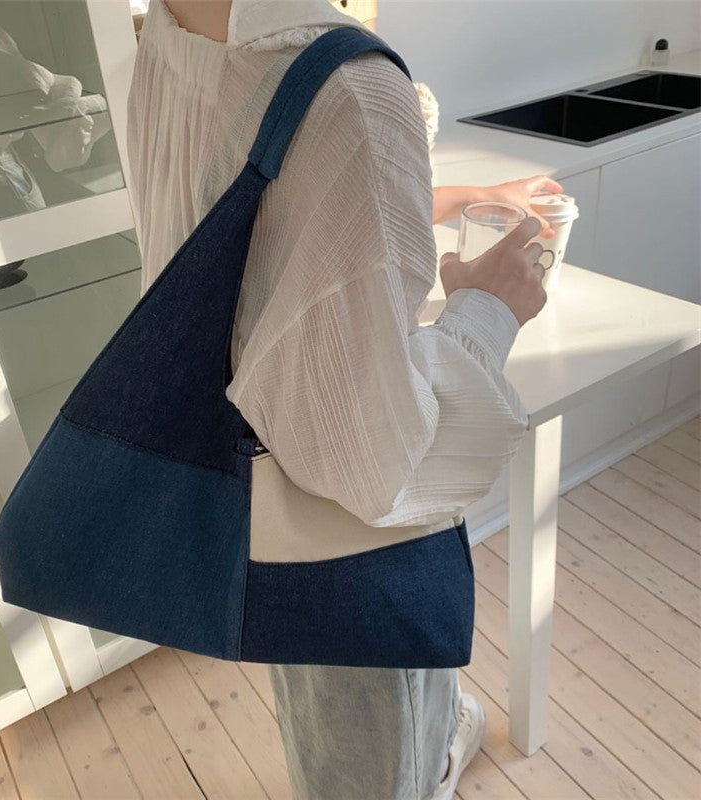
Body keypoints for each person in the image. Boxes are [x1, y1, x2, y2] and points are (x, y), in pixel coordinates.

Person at [127, 1, 560, 798]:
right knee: (367, 757)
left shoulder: (173, 27)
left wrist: (453, 194)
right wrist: (487, 309)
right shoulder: (345, 82)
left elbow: (274, 216)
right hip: (329, 525)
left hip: (239, 482)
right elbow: (373, 465)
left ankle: (438, 741)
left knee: (324, 696)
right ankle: (429, 760)